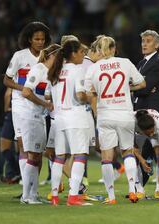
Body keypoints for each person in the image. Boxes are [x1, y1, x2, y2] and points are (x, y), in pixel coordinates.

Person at [85, 35, 146, 204]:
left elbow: (88, 93)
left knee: (106, 157)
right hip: (125, 113)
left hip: (105, 115)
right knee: (127, 151)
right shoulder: (125, 62)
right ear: (113, 48)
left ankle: (111, 197)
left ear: (99, 50)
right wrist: (128, 88)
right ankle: (133, 191)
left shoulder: (93, 68)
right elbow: (142, 84)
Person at [3, 21, 51, 197]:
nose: (40, 42)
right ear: (29, 39)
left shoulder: (47, 58)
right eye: (36, 39)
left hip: (40, 107)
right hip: (21, 106)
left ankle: (31, 190)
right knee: (24, 147)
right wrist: (21, 88)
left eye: (43, 39)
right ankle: (27, 189)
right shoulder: (19, 56)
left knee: (36, 150)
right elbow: (6, 80)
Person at [47, 39, 92, 206]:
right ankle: (73, 197)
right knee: (80, 155)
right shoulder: (77, 70)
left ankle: (55, 197)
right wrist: (92, 96)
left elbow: (48, 96)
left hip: (59, 119)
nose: (83, 55)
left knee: (59, 158)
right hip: (75, 118)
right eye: (81, 52)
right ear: (73, 54)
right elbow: (80, 96)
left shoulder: (56, 71)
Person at [19, 44, 58, 204]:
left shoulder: (47, 73)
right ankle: (26, 196)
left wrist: (53, 100)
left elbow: (44, 94)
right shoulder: (38, 69)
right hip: (31, 116)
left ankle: (33, 194)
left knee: (35, 157)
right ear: (51, 56)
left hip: (39, 118)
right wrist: (45, 104)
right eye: (59, 57)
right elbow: (26, 92)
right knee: (33, 156)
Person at [134, 109, 159, 199]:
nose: (152, 133)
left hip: (156, 123)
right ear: (141, 130)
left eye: (152, 130)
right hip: (134, 130)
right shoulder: (131, 123)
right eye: (148, 132)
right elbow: (131, 147)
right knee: (131, 158)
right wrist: (142, 160)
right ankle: (139, 190)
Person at [133, 30, 159, 117]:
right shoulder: (141, 63)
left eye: (148, 41)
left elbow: (144, 89)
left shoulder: (158, 63)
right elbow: (138, 85)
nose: (144, 44)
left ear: (156, 45)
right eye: (143, 41)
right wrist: (138, 86)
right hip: (141, 109)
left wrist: (131, 89)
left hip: (153, 111)